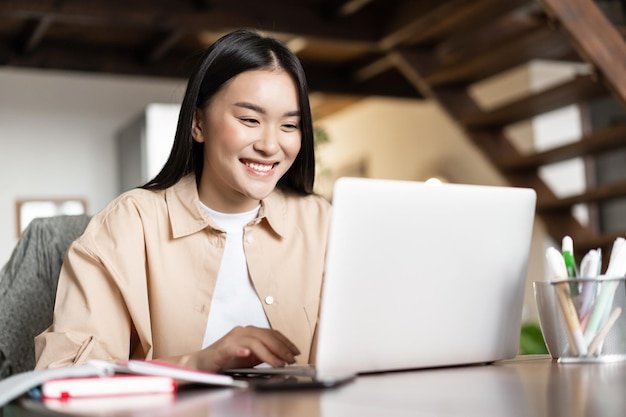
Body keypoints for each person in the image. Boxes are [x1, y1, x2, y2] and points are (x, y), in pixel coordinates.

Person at [34, 28, 332, 373]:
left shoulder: (322, 223)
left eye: (289, 126)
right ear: (198, 123)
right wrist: (198, 363)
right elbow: (63, 374)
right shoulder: (129, 224)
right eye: (250, 120)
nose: (269, 145)